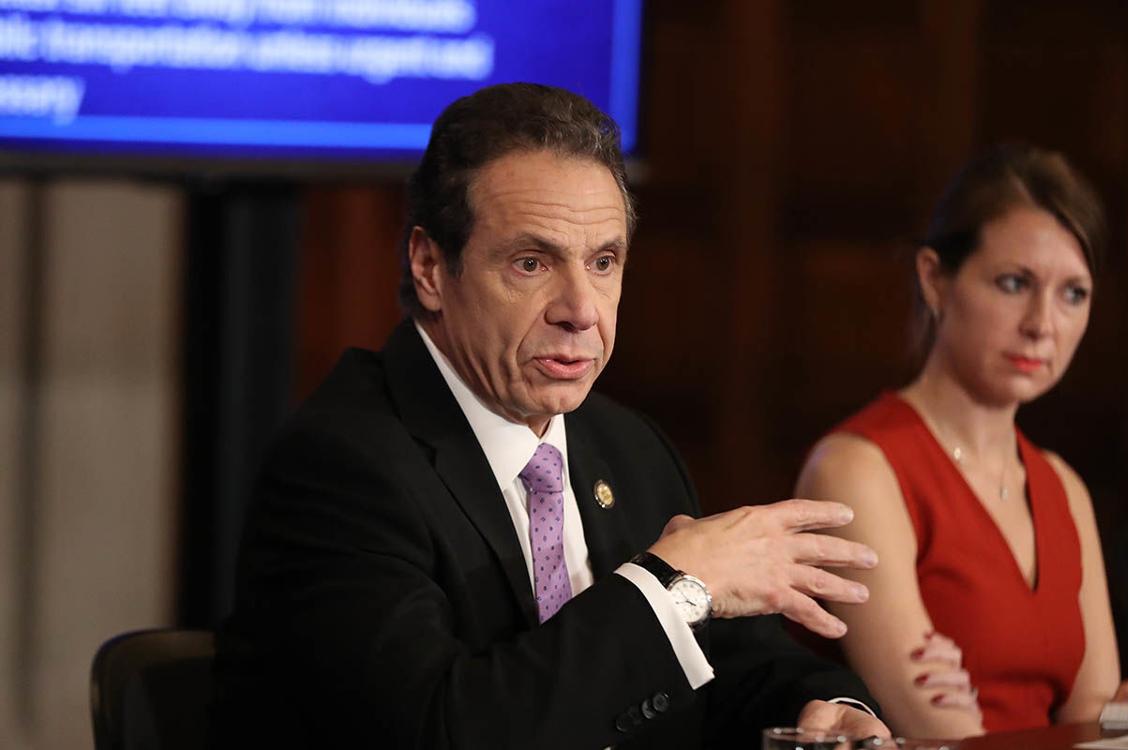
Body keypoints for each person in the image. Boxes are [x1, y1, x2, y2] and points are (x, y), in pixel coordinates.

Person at [213, 83, 889, 749]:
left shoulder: (628, 447)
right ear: (430, 267)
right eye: (532, 263)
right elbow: (441, 728)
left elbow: (731, 664)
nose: (582, 310)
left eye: (603, 262)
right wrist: (668, 586)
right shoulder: (341, 467)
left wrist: (824, 707)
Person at [796, 144, 1127, 739]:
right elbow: (941, 731)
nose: (1043, 324)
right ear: (935, 280)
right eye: (1014, 283)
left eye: (1073, 294)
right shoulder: (856, 468)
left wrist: (1102, 726)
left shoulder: (1064, 486)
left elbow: (1096, 717)